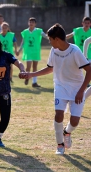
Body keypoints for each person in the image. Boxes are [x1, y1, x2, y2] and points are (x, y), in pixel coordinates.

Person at [20, 23, 91, 155]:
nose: (49, 42)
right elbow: (50, 68)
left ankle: (67, 132)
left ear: (57, 39)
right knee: (59, 115)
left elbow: (89, 70)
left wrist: (81, 91)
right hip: (60, 87)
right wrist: (31, 74)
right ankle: (60, 145)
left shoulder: (75, 51)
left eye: (50, 39)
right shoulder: (54, 50)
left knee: (74, 121)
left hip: (76, 89)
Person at [17, 17, 48, 87]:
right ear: (28, 23)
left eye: (33, 22)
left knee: (35, 67)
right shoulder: (25, 32)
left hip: (36, 51)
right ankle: (27, 77)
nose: (31, 23)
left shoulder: (39, 31)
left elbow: (45, 36)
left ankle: (34, 82)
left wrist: (52, 38)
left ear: (35, 24)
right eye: (30, 22)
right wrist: (19, 50)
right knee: (28, 67)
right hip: (28, 52)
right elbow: (23, 42)